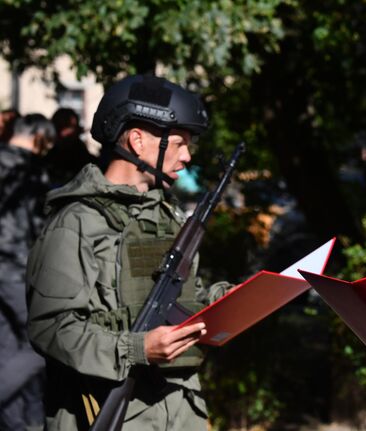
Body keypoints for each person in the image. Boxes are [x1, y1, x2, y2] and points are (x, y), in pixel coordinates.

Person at [26, 74, 231, 430]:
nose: (187, 157)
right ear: (137, 141)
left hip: (180, 414)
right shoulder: (77, 221)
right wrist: (137, 349)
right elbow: (51, 327)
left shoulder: (167, 216)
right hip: (104, 412)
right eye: (180, 142)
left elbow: (181, 300)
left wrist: (229, 300)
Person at [0, 113, 54, 430]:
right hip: (15, 269)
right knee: (42, 341)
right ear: (38, 138)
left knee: (9, 346)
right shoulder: (28, 171)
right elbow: (35, 228)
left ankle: (23, 423)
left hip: (8, 268)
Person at [45, 107, 97, 188]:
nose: (66, 131)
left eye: (71, 127)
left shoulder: (84, 157)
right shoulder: (46, 158)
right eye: (62, 126)